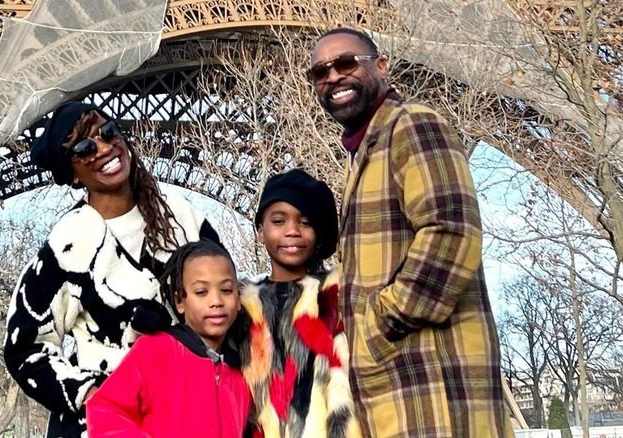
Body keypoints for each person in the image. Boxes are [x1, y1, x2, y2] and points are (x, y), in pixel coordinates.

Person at [308, 28, 513, 437]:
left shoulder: (412, 125)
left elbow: (451, 231)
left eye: (346, 63)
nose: (333, 76)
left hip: (433, 389)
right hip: (401, 391)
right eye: (320, 72)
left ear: (381, 66)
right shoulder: (366, 150)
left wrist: (381, 323)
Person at [3, 101, 222, 438]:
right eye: (85, 148)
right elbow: (24, 346)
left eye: (108, 131)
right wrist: (92, 395)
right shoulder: (67, 244)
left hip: (186, 411)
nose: (104, 147)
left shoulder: (181, 216)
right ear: (72, 173)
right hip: (103, 426)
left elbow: (228, 296)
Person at [239, 168, 361, 438]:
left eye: (305, 223)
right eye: (279, 221)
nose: (292, 230)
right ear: (260, 231)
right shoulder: (239, 306)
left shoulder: (338, 296)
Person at [85, 239, 251, 437]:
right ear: (180, 301)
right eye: (201, 292)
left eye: (226, 290)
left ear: (238, 298)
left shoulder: (241, 375)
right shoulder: (154, 350)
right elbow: (105, 410)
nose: (216, 301)